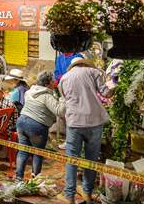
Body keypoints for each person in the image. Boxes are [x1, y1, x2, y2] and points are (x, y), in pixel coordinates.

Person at [57, 57, 114, 204]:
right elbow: (106, 93)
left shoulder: (64, 78)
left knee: (72, 159)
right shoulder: (94, 71)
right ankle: (87, 194)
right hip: (94, 122)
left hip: (74, 122)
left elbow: (65, 100)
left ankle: (69, 196)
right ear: (84, 63)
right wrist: (114, 83)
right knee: (91, 159)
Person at [15, 71, 65, 181]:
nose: (54, 83)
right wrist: (62, 98)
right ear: (47, 84)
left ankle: (18, 179)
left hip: (21, 122)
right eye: (52, 81)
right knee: (37, 153)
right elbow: (60, 111)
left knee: (23, 151)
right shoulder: (46, 96)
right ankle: (35, 180)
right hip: (36, 126)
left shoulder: (29, 91)